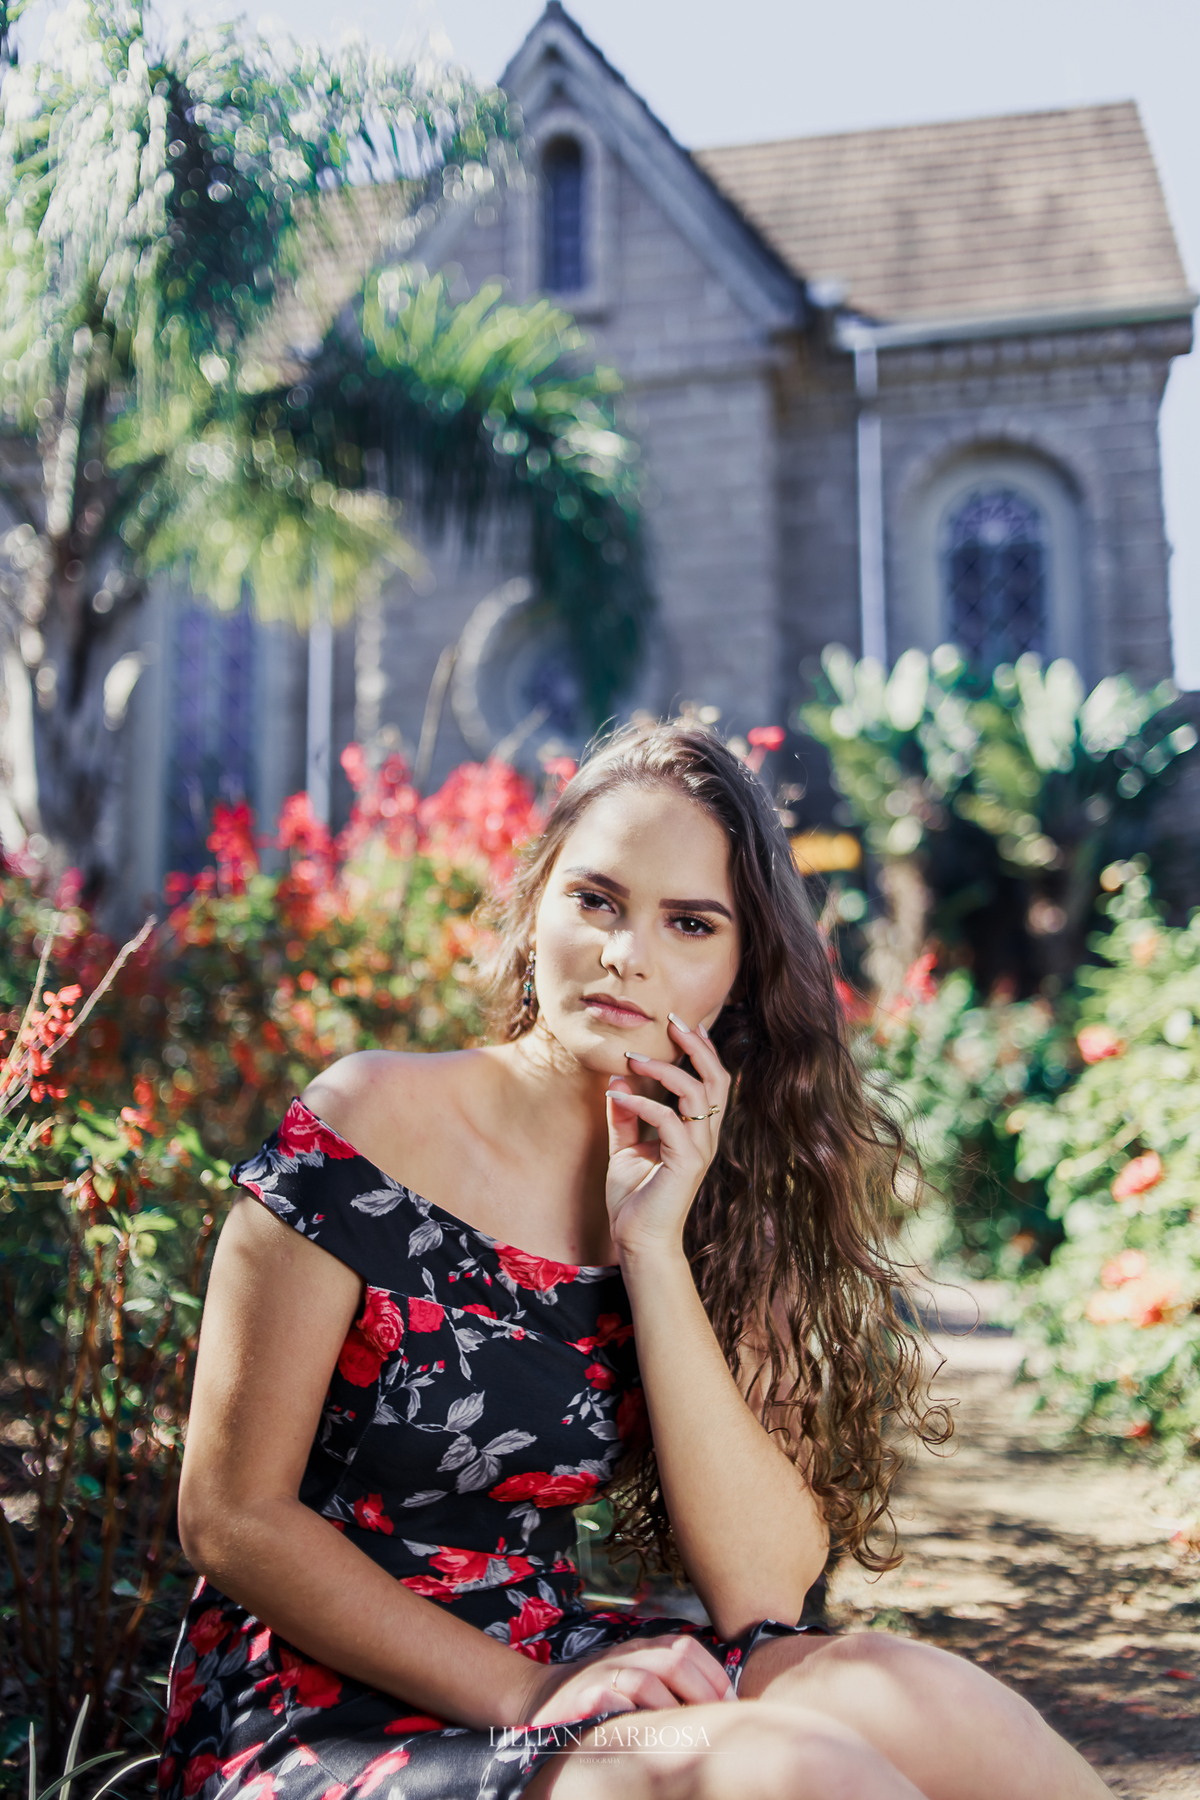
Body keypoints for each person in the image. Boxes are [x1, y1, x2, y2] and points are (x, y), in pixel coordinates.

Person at [162, 723, 1111, 1800]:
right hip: (323, 1692)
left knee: (928, 1700)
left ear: (739, 977)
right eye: (597, 901)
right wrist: (526, 1695)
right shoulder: (368, 1122)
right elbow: (228, 1516)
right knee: (781, 1770)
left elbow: (760, 1589)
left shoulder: (726, 1193)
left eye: (690, 923)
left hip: (555, 1652)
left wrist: (652, 1245)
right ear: (534, 912)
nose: (628, 954)